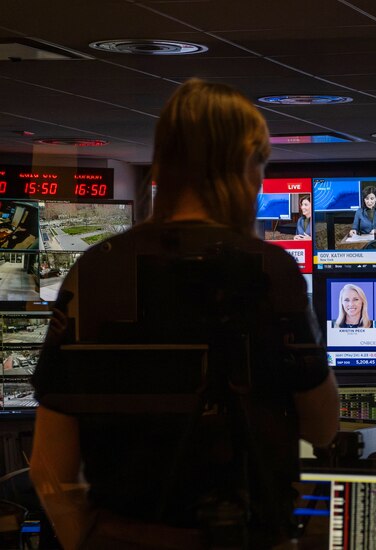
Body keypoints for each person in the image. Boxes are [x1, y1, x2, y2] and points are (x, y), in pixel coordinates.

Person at [29, 79, 339, 549]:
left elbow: (48, 464)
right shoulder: (267, 272)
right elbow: (323, 426)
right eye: (259, 166)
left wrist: (93, 539)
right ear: (241, 166)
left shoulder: (95, 270)